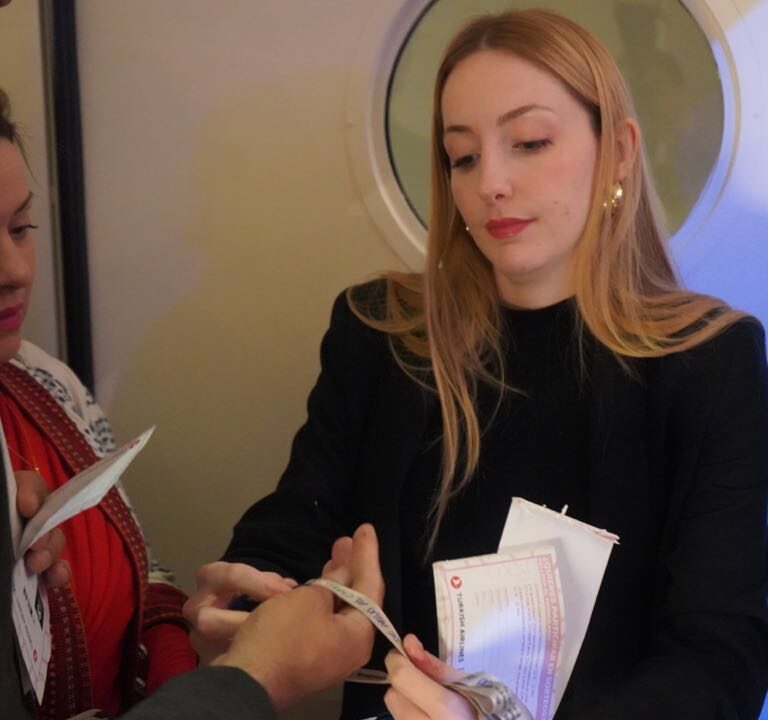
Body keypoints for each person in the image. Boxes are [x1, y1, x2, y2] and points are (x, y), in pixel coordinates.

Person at [0, 89, 197, 718]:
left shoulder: (47, 379)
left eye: (20, 230)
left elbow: (147, 573)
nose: (15, 271)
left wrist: (180, 678)